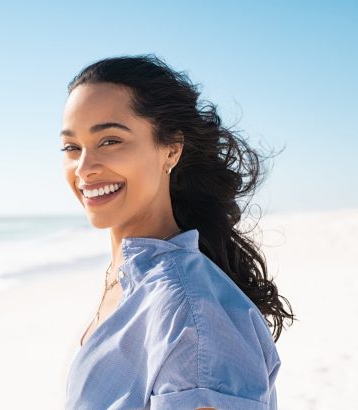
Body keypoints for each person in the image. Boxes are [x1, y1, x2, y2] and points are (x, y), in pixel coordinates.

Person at [60, 55, 295, 410]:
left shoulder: (190, 313)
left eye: (110, 141)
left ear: (171, 148)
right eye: (71, 147)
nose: (84, 168)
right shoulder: (130, 276)